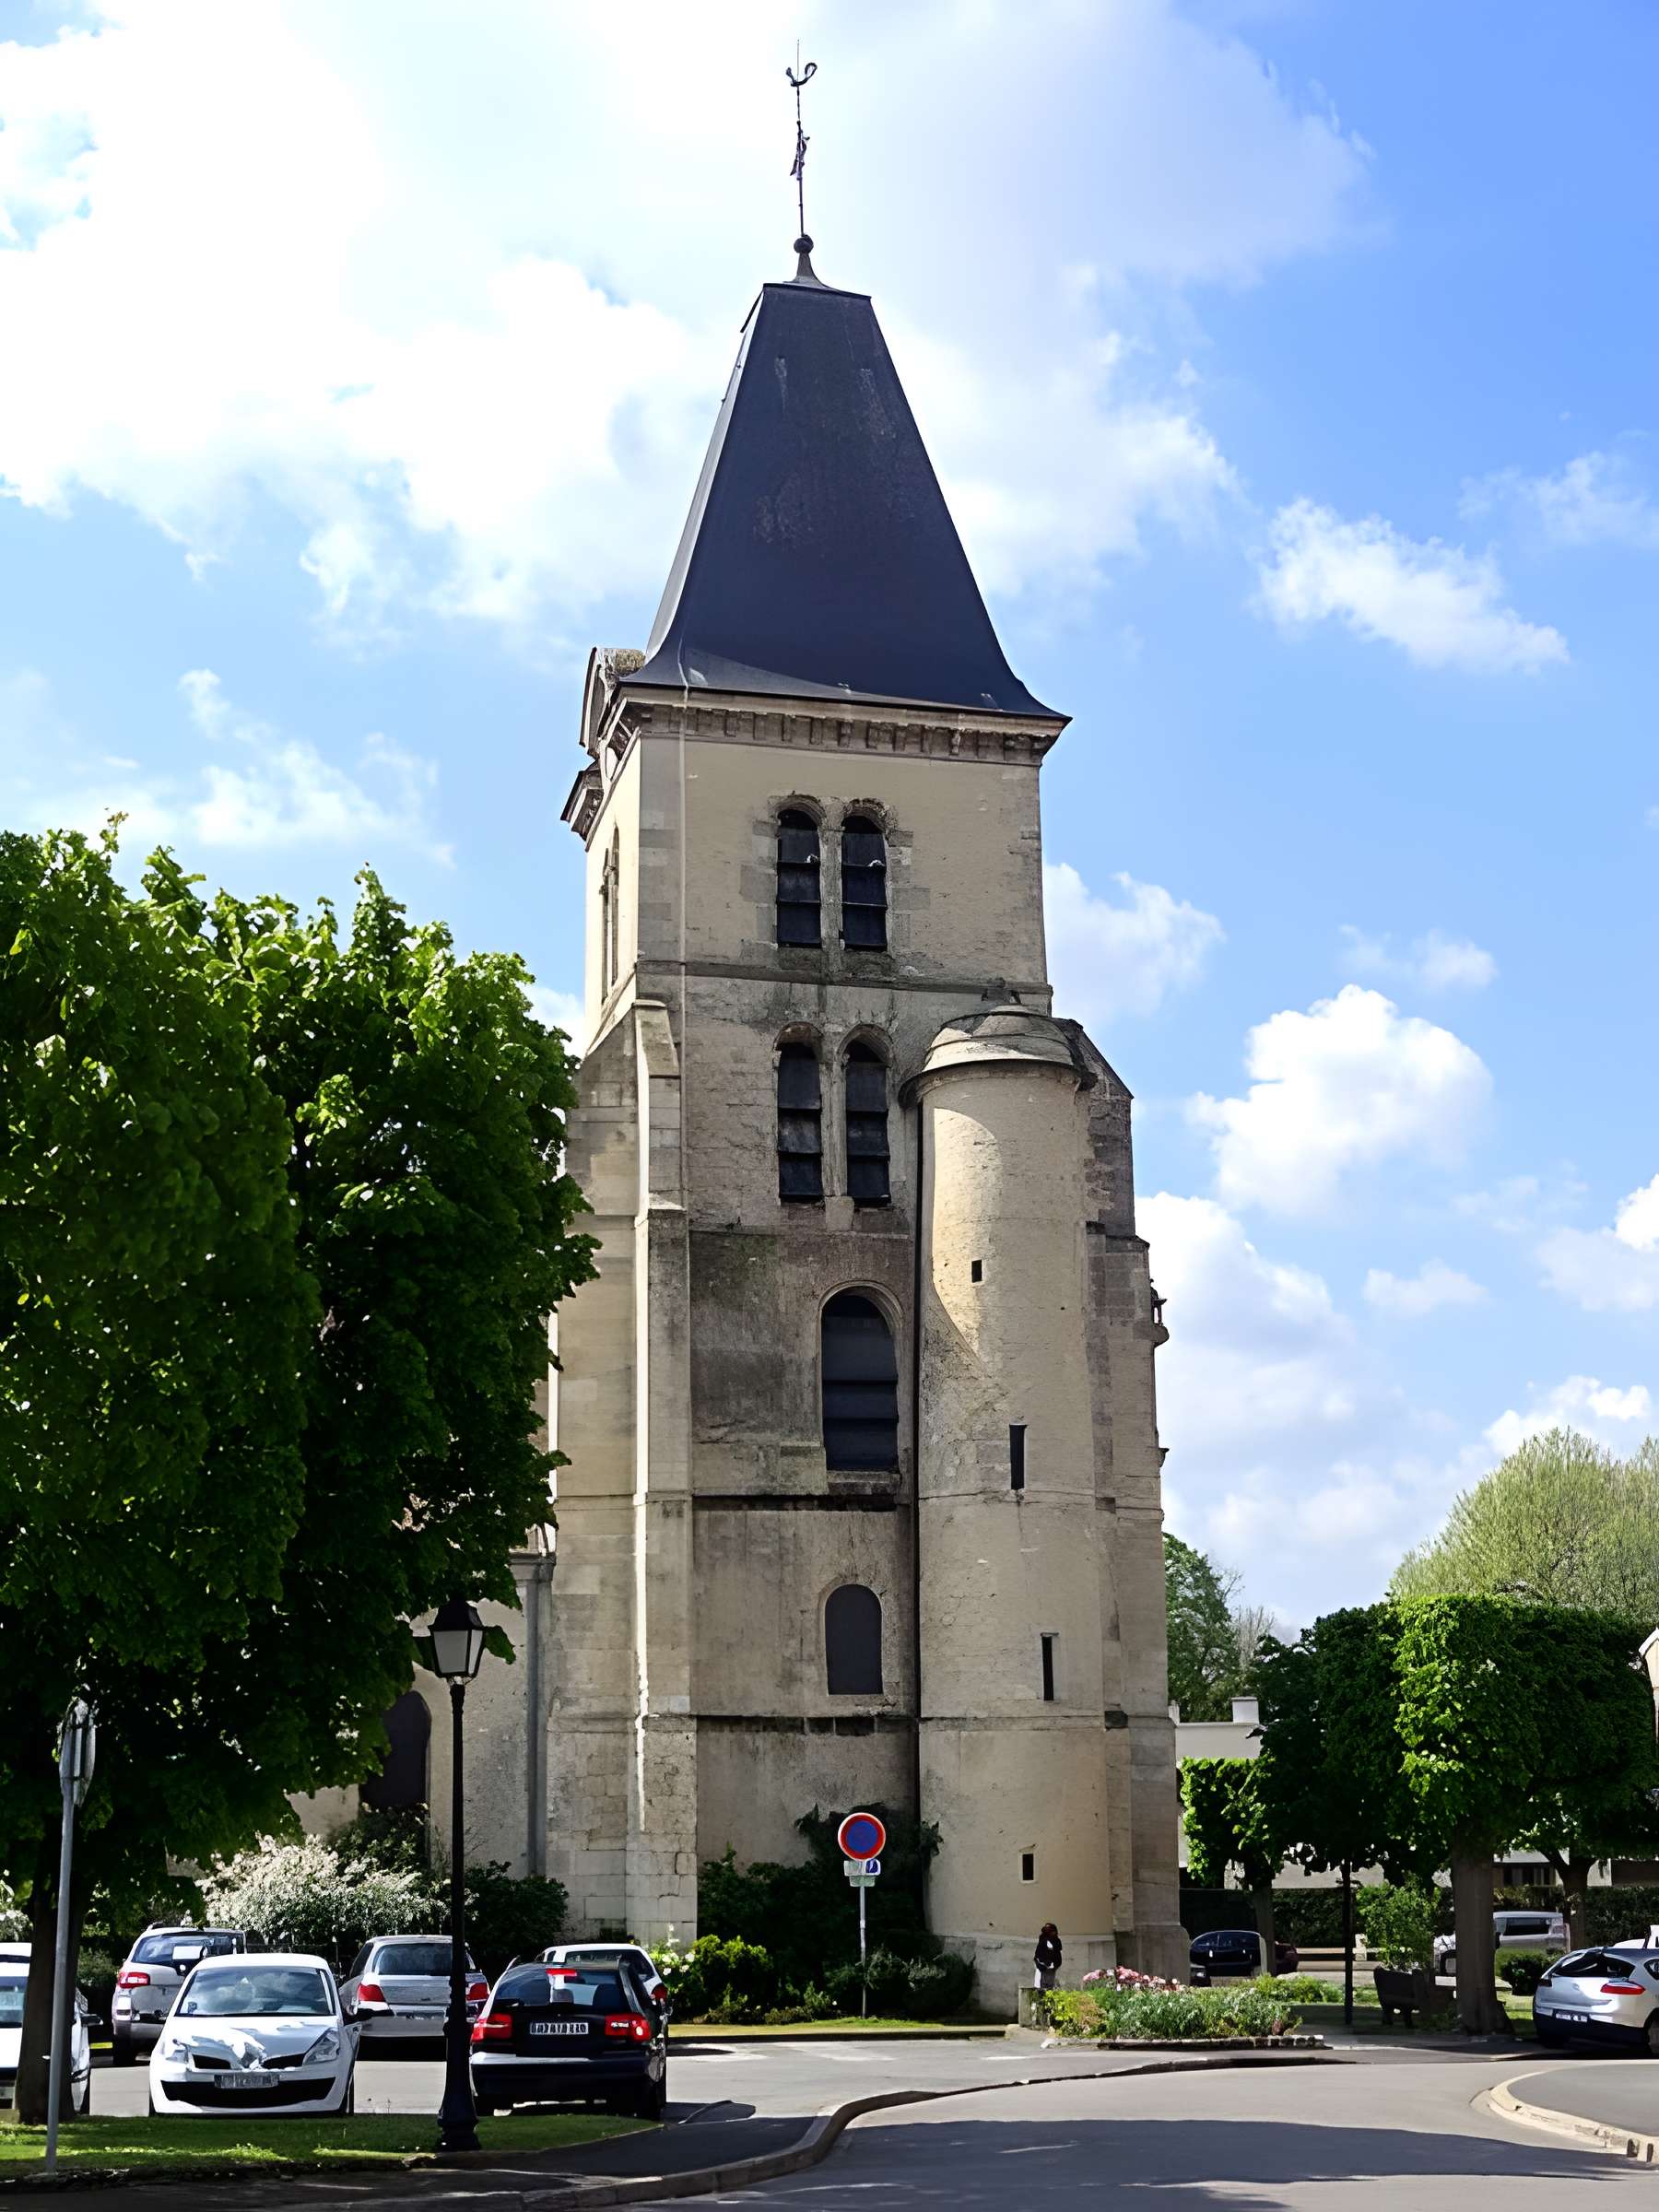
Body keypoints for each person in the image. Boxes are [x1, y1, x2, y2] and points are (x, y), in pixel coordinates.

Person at [1033, 1924, 1063, 1991]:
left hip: (1051, 1968)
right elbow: (1037, 1956)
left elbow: (1058, 1956)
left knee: (1049, 1988)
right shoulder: (1043, 1940)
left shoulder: (1057, 1941)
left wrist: (1055, 1965)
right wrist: (1040, 1964)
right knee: (1040, 1988)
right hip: (1042, 1968)